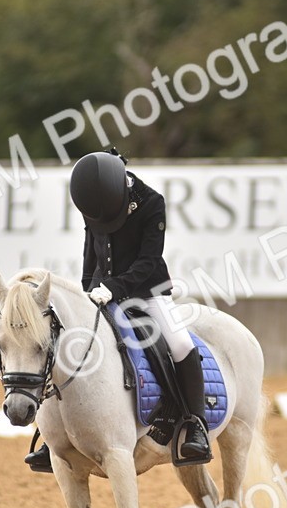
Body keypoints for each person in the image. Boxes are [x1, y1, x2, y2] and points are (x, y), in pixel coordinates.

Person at [23, 150, 212, 472]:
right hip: (101, 292)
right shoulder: (95, 201)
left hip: (147, 292)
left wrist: (114, 287)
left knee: (180, 343)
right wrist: (85, 291)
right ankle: (52, 433)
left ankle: (194, 423)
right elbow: (90, 254)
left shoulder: (152, 203)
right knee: (67, 342)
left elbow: (149, 260)